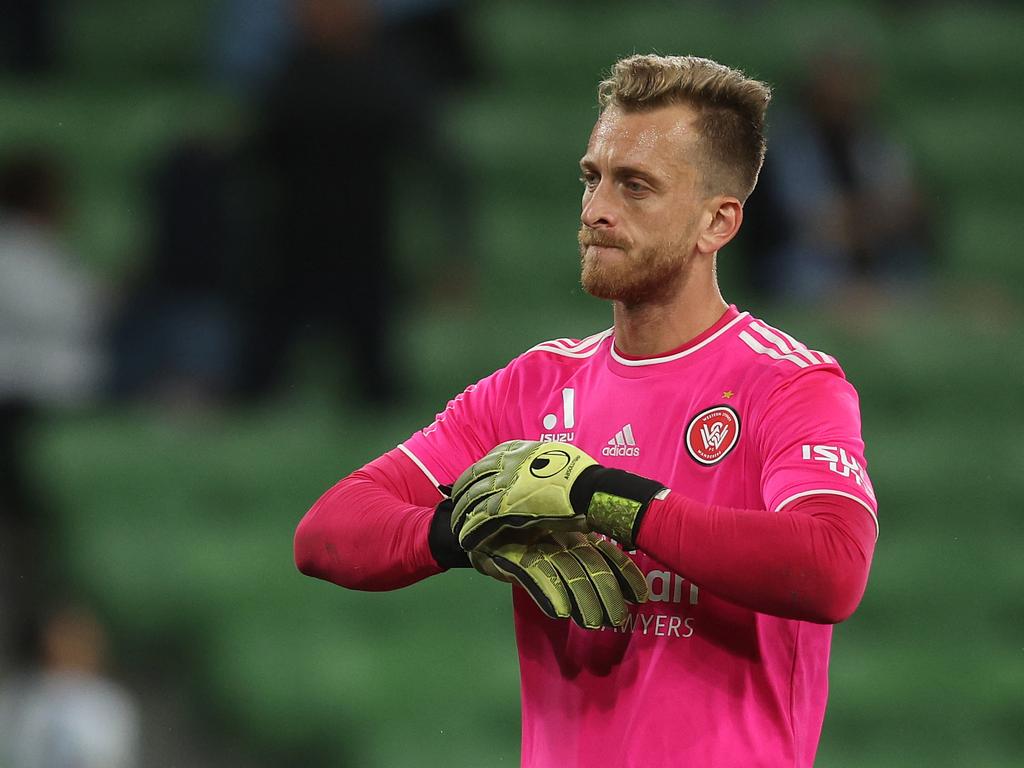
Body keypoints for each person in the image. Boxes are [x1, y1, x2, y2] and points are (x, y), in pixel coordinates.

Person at [294, 54, 878, 767]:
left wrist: (601, 497)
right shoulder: (534, 386)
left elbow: (832, 567)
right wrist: (465, 533)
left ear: (717, 222)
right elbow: (326, 535)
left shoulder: (788, 384)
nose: (597, 209)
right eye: (592, 177)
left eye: (636, 186)